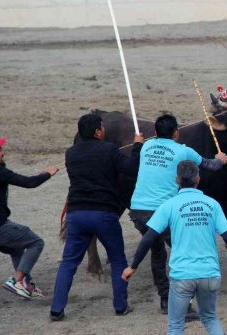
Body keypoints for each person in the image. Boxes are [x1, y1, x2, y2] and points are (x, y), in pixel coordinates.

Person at [123, 160, 227, 335]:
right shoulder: (212, 204)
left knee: (176, 325)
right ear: (198, 179)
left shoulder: (168, 206)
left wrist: (133, 267)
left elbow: (148, 239)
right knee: (210, 318)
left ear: (176, 180)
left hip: (183, 275)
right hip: (209, 273)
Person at [129, 114, 227, 314]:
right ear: (176, 133)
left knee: (157, 253)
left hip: (138, 210)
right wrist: (221, 159)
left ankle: (166, 299)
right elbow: (210, 166)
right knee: (183, 251)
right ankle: (184, 300)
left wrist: (137, 143)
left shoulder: (146, 147)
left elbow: (138, 152)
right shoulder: (183, 151)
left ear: (155, 133)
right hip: (162, 211)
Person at [50, 114, 144, 321]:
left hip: (76, 215)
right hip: (103, 214)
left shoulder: (71, 153)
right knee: (118, 259)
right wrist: (137, 147)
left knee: (68, 263)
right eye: (101, 128)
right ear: (97, 132)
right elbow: (132, 169)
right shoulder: (109, 150)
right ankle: (120, 306)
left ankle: (56, 309)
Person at [0, 136, 58, 299]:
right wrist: (48, 174)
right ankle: (16, 280)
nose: (3, 153)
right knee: (35, 242)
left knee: (16, 248)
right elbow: (29, 182)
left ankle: (27, 285)